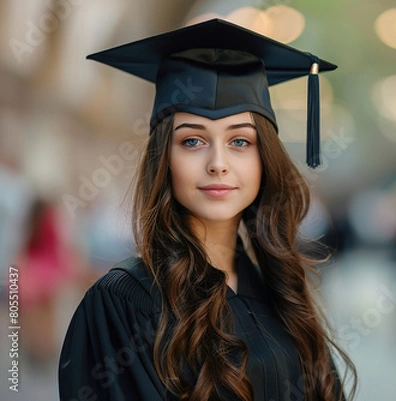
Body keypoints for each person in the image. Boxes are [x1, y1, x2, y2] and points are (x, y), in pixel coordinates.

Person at [58, 18, 356, 401]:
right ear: (163, 159)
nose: (218, 163)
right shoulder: (123, 301)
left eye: (240, 142)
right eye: (193, 141)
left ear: (265, 159)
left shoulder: (278, 287)